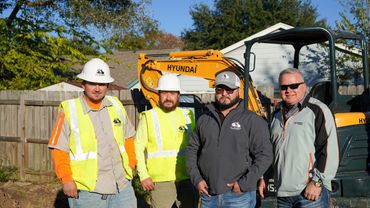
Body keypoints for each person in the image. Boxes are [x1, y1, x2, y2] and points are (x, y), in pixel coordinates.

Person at [48, 58, 137, 208]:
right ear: (83, 84)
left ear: (107, 85)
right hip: (88, 192)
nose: (97, 88)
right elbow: (59, 149)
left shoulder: (116, 105)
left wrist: (131, 163)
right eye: (92, 83)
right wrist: (66, 179)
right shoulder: (69, 110)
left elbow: (128, 137)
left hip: (122, 187)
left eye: (102, 84)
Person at [186, 71, 273, 208]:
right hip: (208, 195)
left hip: (239, 197)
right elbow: (191, 150)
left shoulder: (252, 120)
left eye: (229, 90)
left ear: (238, 90)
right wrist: (197, 179)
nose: (224, 94)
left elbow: (265, 155)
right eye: (220, 90)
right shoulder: (204, 119)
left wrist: (243, 184)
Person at [258, 68, 339, 207]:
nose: (288, 90)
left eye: (293, 86)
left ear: (304, 86)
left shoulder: (317, 111)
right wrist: (264, 178)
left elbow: (329, 152)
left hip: (310, 194)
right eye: (284, 87)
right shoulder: (277, 115)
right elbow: (272, 152)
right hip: (283, 196)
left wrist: (317, 183)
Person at [135, 74, 198, 208]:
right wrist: (143, 175)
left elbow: (196, 147)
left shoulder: (188, 116)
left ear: (178, 95)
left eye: (172, 93)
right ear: (158, 94)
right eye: (164, 93)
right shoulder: (149, 117)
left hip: (187, 178)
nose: (168, 97)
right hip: (160, 181)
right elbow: (137, 148)